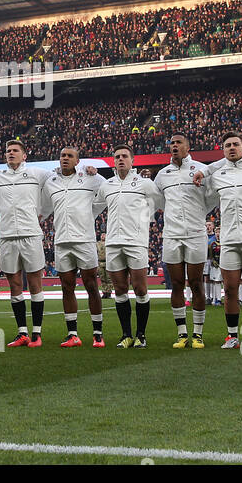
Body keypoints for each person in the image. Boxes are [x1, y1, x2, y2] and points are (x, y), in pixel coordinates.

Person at [196, 132, 242, 350]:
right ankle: (232, 336)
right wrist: (203, 172)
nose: (232, 148)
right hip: (228, 238)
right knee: (229, 289)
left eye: (236, 144)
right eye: (227, 145)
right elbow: (205, 198)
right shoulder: (218, 174)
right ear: (223, 150)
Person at [0, 139, 57, 347]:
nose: (11, 153)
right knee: (14, 285)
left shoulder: (37, 174)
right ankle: (22, 333)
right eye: (8, 151)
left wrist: (87, 170)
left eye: (15, 150)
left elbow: (59, 175)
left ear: (24, 155)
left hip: (31, 235)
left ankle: (36, 333)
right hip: (7, 236)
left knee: (35, 283)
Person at [153, 134, 216, 348]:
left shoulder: (200, 169)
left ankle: (197, 333)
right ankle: (182, 333)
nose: (174, 146)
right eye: (172, 143)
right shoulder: (162, 175)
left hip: (196, 233)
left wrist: (199, 213)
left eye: (179, 143)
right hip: (172, 234)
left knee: (197, 283)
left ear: (188, 147)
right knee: (177, 284)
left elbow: (212, 197)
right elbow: (159, 201)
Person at [95, 145, 159, 348]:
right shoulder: (107, 185)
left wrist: (144, 223)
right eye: (117, 157)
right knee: (120, 289)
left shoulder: (144, 183)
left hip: (136, 242)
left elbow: (156, 202)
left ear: (133, 160)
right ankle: (126, 335)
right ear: (113, 161)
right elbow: (95, 207)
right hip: (113, 242)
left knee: (140, 288)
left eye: (124, 156)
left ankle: (141, 334)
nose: (120, 159)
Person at [42, 147, 108, 347]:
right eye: (63, 156)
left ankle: (98, 333)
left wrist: (92, 212)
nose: (65, 159)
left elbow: (106, 193)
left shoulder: (90, 177)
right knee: (66, 287)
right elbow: (44, 205)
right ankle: (72, 334)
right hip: (62, 241)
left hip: (85, 240)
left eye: (70, 156)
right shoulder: (51, 181)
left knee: (91, 285)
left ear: (77, 160)